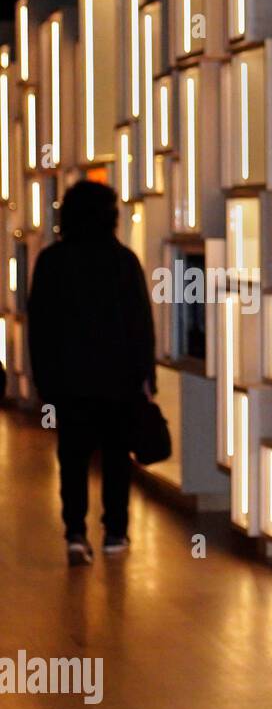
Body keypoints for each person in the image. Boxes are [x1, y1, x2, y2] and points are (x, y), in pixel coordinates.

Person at [27, 179, 157, 566]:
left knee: (73, 457)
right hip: (118, 380)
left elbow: (41, 325)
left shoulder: (52, 262)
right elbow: (141, 325)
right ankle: (115, 531)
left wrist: (43, 379)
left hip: (69, 381)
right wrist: (145, 376)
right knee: (117, 457)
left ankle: (75, 532)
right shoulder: (124, 261)